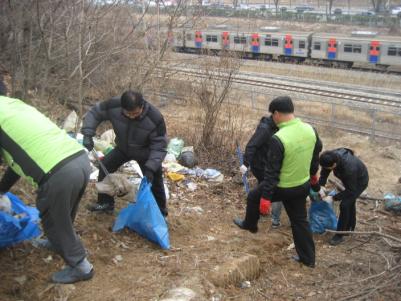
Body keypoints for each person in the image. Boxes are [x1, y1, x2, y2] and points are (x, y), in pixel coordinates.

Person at [0, 70, 93, 284]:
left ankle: (81, 266)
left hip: (57, 172)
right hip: (79, 159)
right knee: (64, 214)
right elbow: (18, 159)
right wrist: (2, 188)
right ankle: (55, 241)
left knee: (53, 220)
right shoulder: (16, 106)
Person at [234, 96, 322, 268]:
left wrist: (266, 198)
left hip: (283, 187)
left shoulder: (279, 138)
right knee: (300, 221)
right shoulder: (310, 129)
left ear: (276, 113)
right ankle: (308, 259)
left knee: (253, 197)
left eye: (272, 115)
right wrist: (313, 176)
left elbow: (271, 172)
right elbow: (315, 154)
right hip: (302, 185)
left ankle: (250, 225)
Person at [81, 90, 168, 216]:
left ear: (142, 105)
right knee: (106, 165)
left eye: (136, 113)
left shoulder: (154, 117)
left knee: (155, 179)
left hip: (145, 152)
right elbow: (95, 113)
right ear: (122, 108)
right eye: (128, 113)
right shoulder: (114, 106)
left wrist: (150, 167)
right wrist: (88, 133)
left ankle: (160, 213)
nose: (132, 116)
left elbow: (159, 145)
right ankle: (106, 203)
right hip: (123, 148)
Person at [318, 148, 369, 246]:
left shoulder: (348, 168)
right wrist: (321, 185)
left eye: (329, 168)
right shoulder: (330, 156)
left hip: (359, 182)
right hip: (349, 180)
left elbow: (351, 190)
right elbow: (325, 170)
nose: (326, 169)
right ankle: (349, 228)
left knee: (345, 205)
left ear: (334, 165)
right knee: (350, 202)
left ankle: (339, 235)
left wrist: (333, 198)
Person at [240, 114, 283, 228]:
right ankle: (274, 219)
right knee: (271, 187)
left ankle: (262, 211)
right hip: (261, 165)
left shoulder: (277, 127)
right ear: (276, 116)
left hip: (267, 163)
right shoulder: (265, 129)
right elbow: (251, 146)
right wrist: (245, 163)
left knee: (264, 187)